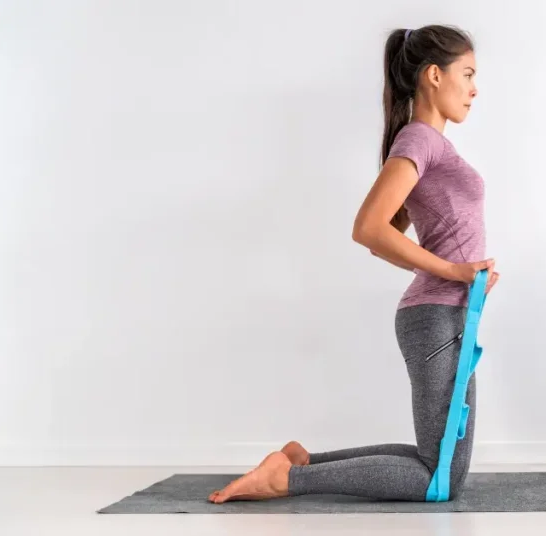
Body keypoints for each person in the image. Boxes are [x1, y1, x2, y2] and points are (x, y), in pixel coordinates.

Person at [208, 24, 497, 504]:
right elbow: (369, 228)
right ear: (432, 75)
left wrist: (463, 274)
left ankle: (301, 463)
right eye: (466, 74)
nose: (474, 88)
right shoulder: (420, 141)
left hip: (449, 316)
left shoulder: (429, 145)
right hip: (436, 318)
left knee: (439, 461)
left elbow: (390, 236)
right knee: (438, 478)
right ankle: (286, 481)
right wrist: (454, 272)